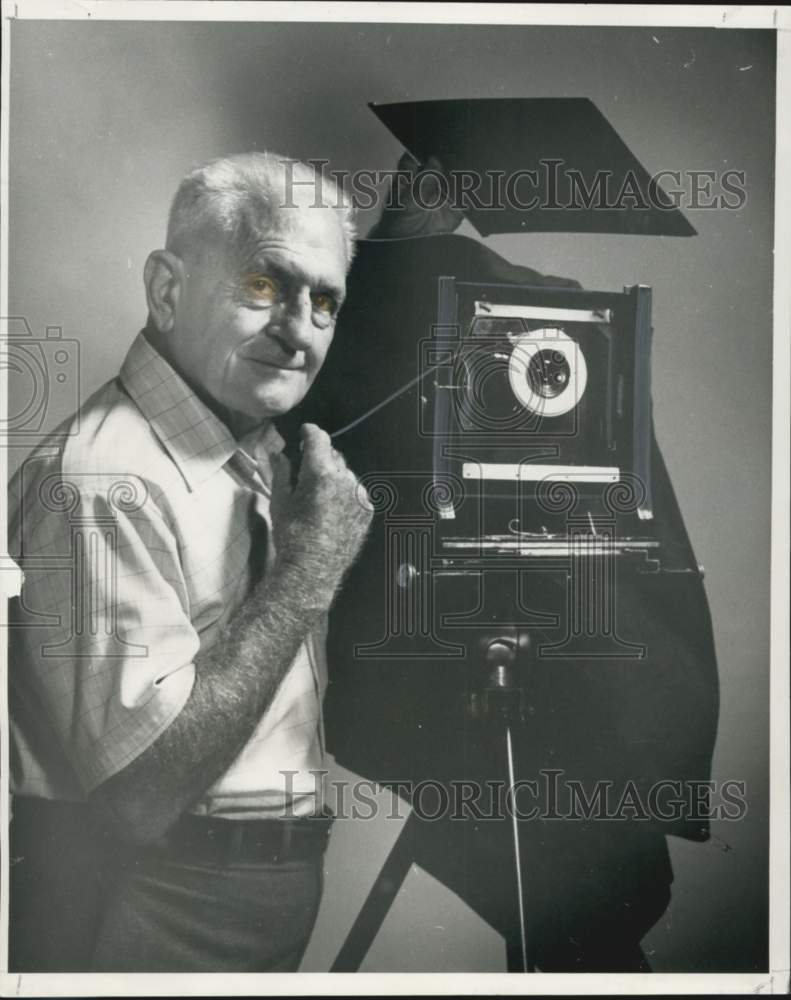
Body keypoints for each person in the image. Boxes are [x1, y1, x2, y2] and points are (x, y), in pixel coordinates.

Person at [297, 154, 719, 971]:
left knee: (571, 894)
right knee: (587, 897)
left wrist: (386, 245)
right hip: (558, 678)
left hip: (426, 672)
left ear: (418, 186)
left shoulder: (349, 303)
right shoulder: (552, 303)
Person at [7, 152, 373, 972]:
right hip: (146, 902)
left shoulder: (257, 451)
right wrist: (312, 566)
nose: (299, 331)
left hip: (251, 897)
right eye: (265, 285)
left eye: (325, 303)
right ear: (168, 291)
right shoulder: (102, 481)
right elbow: (139, 798)